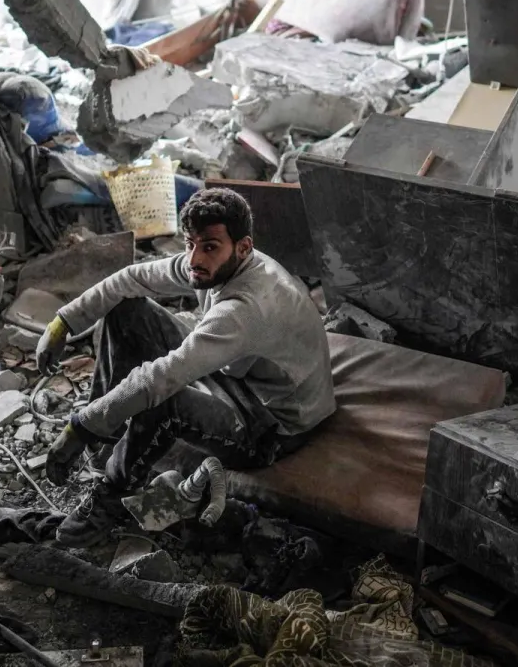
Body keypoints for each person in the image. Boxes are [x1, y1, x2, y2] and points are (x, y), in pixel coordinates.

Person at [39, 188, 335, 546]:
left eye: (209, 246)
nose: (194, 258)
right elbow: (132, 278)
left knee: (164, 402)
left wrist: (80, 426)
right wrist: (64, 322)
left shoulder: (244, 308)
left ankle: (112, 496)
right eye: (190, 243)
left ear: (243, 247)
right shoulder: (218, 263)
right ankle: (108, 440)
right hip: (240, 375)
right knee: (127, 308)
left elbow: (161, 378)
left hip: (271, 426)